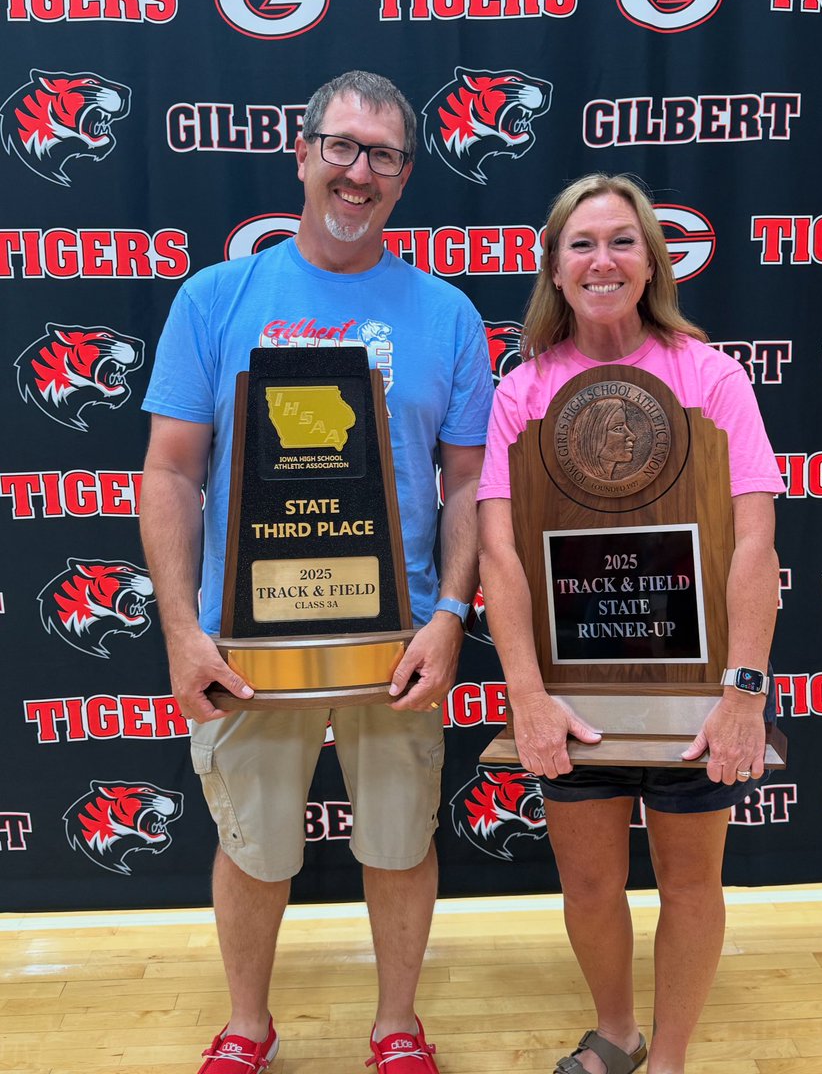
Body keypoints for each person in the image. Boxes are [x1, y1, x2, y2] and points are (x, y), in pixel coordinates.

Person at [140, 70, 493, 1074]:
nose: (358, 171)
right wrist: (179, 626)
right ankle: (246, 1025)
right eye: (340, 146)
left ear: (405, 177)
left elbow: (466, 485)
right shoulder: (216, 299)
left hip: (400, 643)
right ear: (300, 154)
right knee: (253, 847)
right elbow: (169, 471)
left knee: (398, 842)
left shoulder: (446, 313)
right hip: (249, 644)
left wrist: (451, 615)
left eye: (382, 155)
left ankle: (396, 1026)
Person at [476, 173, 784, 1074]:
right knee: (588, 883)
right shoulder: (520, 393)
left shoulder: (711, 376)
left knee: (690, 885)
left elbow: (754, 542)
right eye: (581, 244)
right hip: (576, 696)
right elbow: (501, 558)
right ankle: (616, 1034)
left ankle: (673, 1060)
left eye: (619, 240)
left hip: (694, 689)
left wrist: (742, 694)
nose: (601, 259)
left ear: (650, 260)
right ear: (555, 269)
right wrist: (526, 697)